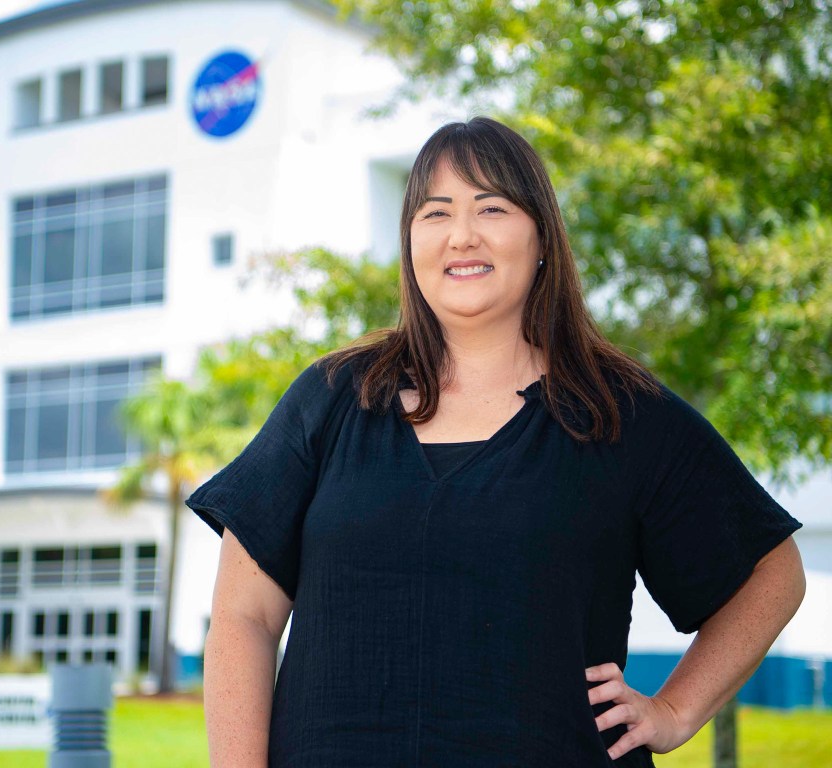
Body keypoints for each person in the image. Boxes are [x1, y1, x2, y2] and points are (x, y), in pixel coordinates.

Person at [185, 116, 806, 767]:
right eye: (436, 212)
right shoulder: (331, 398)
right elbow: (243, 619)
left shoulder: (617, 414)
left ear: (540, 236)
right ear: (411, 241)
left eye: (492, 207)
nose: (462, 235)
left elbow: (772, 573)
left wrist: (677, 709)